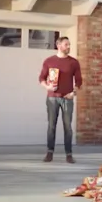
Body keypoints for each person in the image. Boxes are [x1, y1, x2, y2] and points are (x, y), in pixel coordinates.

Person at [38, 35, 82, 163]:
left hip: (67, 98)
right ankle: (49, 153)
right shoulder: (49, 61)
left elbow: (79, 81)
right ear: (59, 45)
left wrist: (73, 93)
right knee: (51, 126)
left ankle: (69, 154)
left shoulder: (74, 62)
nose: (69, 47)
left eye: (69, 45)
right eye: (66, 44)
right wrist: (47, 86)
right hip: (52, 98)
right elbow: (41, 78)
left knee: (68, 127)